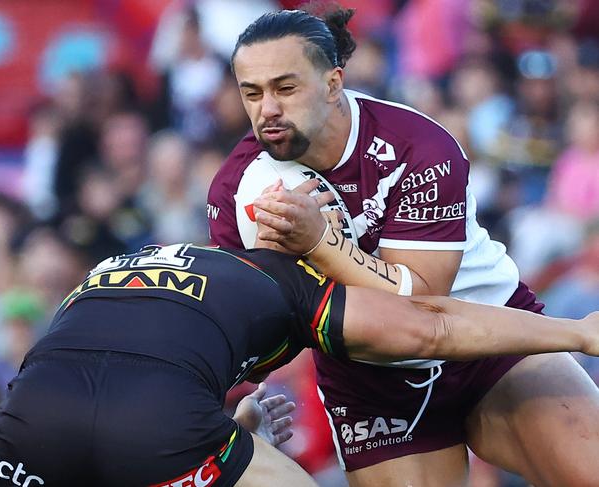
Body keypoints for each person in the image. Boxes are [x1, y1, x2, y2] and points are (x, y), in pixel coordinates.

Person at [206, 7, 599, 486]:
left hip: (492, 335)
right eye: (253, 93)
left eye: (285, 88)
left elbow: (422, 306)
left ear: (333, 84)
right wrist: (239, 417)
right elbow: (250, 335)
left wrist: (319, 244)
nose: (267, 109)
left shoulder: (416, 145)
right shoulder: (236, 190)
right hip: (370, 383)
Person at [0, 243, 599, 487]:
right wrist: (574, 331)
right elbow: (429, 325)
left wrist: (227, 417)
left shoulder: (125, 261)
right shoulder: (293, 281)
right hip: (159, 424)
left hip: (32, 414)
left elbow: (120, 353)